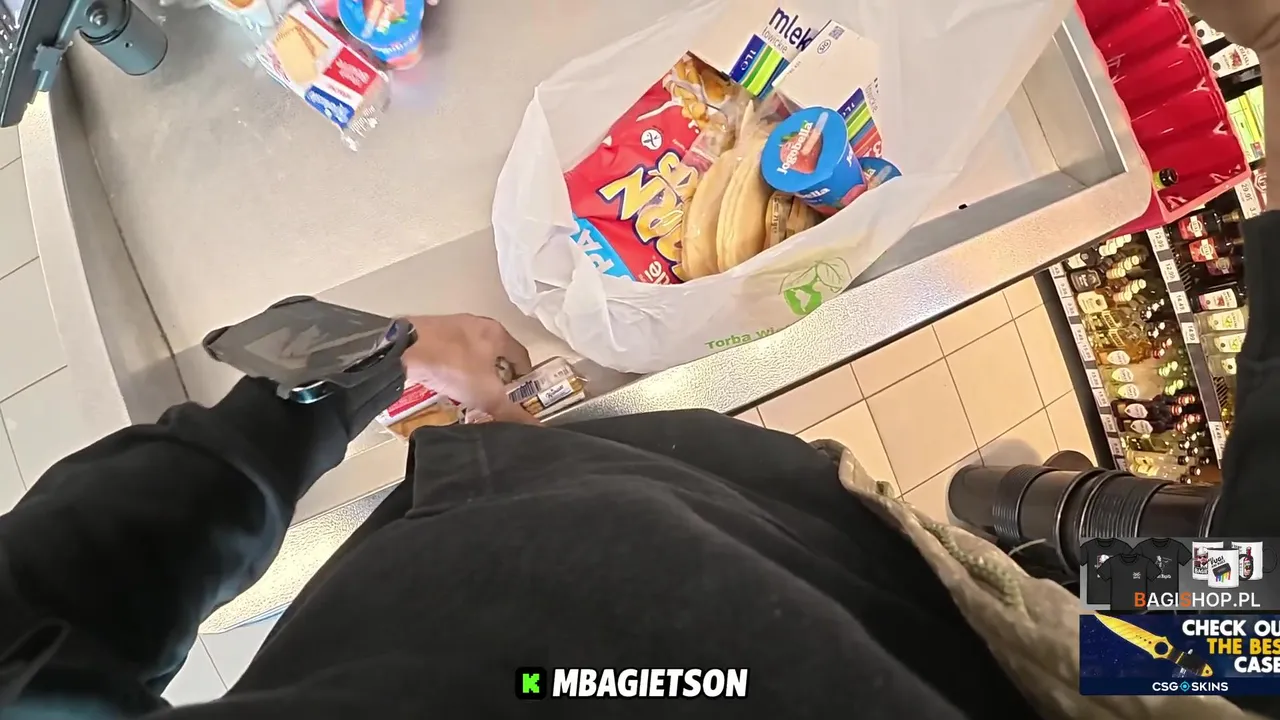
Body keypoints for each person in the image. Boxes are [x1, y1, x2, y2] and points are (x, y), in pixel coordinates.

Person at [1, 5, 1279, 720]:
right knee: (1203, 612)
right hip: (952, 630)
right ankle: (1029, 522)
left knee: (1176, 604)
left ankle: (1025, 517)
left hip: (841, 584)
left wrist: (357, 376)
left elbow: (63, 592)